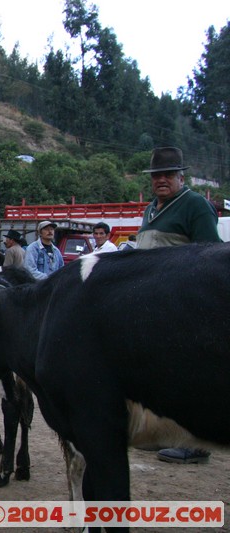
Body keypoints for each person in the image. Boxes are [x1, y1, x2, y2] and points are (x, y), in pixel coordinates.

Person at [136, 146, 221, 466]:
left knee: (191, 374)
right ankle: (163, 433)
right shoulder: (150, 210)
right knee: (160, 374)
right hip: (152, 308)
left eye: (168, 175)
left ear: (180, 177)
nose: (161, 180)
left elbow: (211, 256)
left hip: (184, 306)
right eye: (157, 175)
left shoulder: (194, 206)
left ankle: (198, 444)